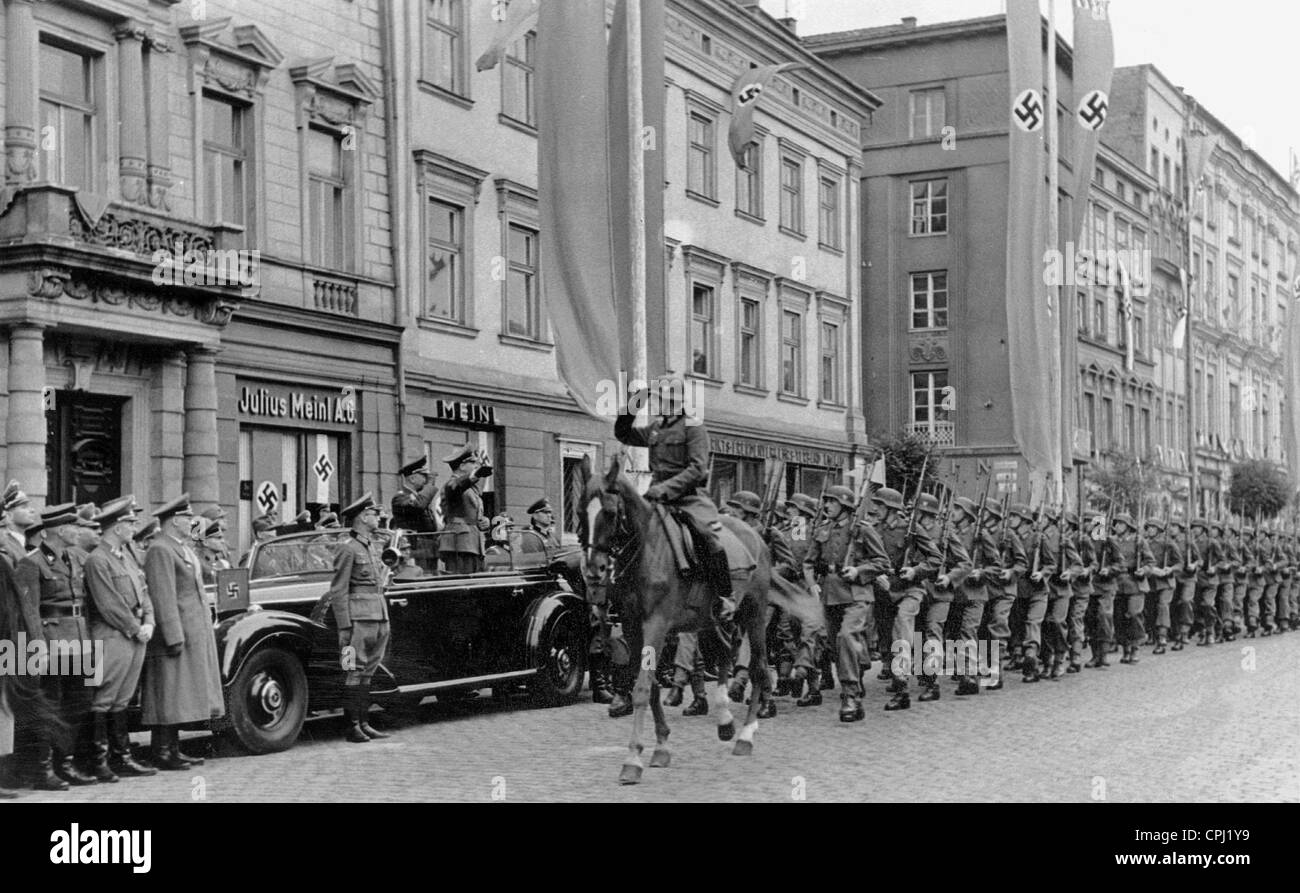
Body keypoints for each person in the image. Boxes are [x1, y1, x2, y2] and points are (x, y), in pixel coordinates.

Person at [613, 382, 733, 617]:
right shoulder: (656, 428)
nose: (662, 405)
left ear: (678, 402)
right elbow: (623, 434)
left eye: (667, 401)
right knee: (626, 532)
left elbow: (698, 468)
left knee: (707, 536)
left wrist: (665, 489)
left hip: (688, 498)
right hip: (657, 499)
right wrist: (635, 402)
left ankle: (725, 596)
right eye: (659, 400)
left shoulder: (693, 426)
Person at [141, 493, 225, 770]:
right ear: (174, 521)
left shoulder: (181, 547)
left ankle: (173, 747)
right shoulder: (160, 549)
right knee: (169, 691)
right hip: (176, 631)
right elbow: (164, 596)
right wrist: (173, 634)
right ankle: (162, 750)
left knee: (180, 694)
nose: (192, 522)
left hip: (193, 629)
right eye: (187, 517)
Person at [83, 496, 157, 781]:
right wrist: (134, 627)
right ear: (116, 526)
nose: (134, 526)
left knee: (123, 699)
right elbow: (108, 603)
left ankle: (122, 757)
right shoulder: (97, 559)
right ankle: (99, 760)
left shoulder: (126, 555)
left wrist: (148, 621)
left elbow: (144, 590)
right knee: (104, 698)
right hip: (112, 635)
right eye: (129, 522)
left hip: (136, 634)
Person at [312, 494, 391, 743]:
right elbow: (338, 590)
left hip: (377, 617)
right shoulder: (348, 548)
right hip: (356, 623)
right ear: (362, 517)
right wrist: (344, 626)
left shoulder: (370, 546)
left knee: (368, 671)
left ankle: (365, 722)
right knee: (351, 670)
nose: (378, 517)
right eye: (373, 513)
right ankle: (352, 725)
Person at [872, 487, 941, 711]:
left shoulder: (911, 529)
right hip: (884, 591)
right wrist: (874, 573)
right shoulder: (873, 530)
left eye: (880, 506)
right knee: (889, 640)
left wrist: (915, 571)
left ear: (891, 509)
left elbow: (935, 558)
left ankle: (905, 688)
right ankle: (904, 677)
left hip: (911, 589)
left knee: (903, 628)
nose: (876, 509)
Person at [439, 447, 494, 575]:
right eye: (473, 463)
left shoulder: (471, 489)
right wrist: (476, 475)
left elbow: (473, 511)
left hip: (472, 544)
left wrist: (483, 521)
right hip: (459, 545)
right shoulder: (451, 485)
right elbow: (456, 486)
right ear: (462, 466)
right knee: (461, 587)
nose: (476, 466)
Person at [1, 481, 37, 570]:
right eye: (24, 507)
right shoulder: (6, 546)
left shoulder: (22, 543)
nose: (32, 510)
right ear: (9, 516)